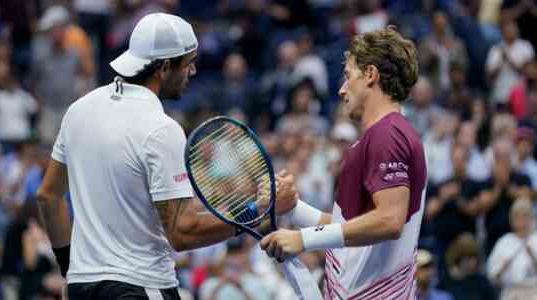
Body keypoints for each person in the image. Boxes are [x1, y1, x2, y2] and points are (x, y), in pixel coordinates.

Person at [35, 13, 296, 300]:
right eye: (188, 64)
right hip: (138, 288)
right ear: (164, 67)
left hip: (82, 287)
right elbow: (183, 233)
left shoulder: (78, 111)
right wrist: (256, 211)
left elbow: (48, 197)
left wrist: (68, 269)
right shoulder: (161, 129)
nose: (193, 72)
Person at [261, 27, 426, 299]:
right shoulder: (385, 134)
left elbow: (389, 221)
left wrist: (304, 239)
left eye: (348, 76)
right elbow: (352, 226)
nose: (341, 89)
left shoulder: (388, 134)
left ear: (371, 75)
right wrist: (294, 209)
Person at [486, 198, 537, 300]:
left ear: (531, 218)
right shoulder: (504, 241)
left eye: (523, 215)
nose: (519, 219)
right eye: (515, 216)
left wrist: (533, 258)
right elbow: (492, 275)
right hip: (510, 292)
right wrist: (502, 268)